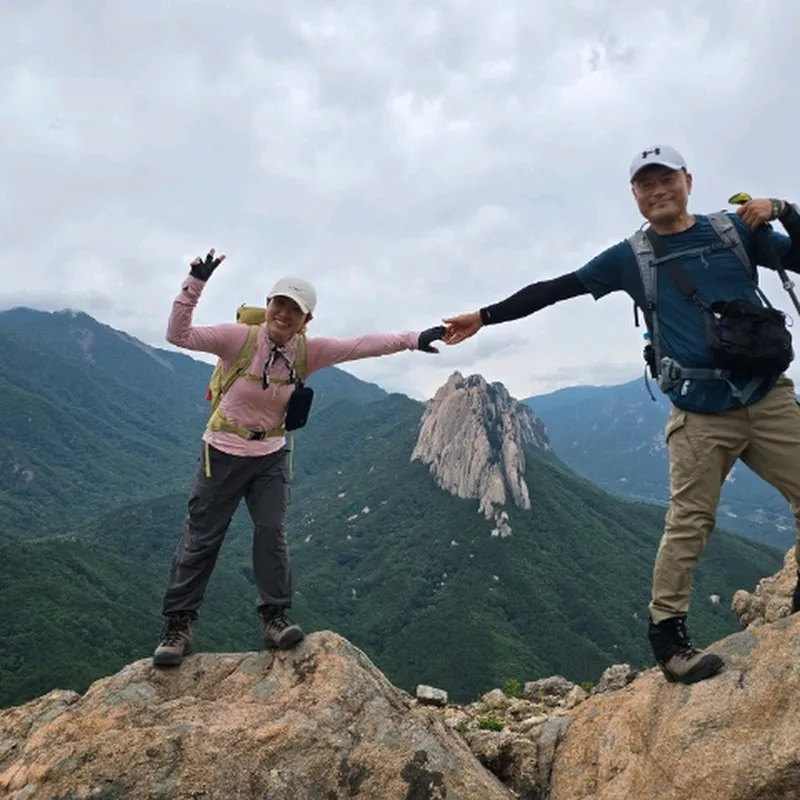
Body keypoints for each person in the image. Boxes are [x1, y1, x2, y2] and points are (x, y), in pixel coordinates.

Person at [441, 144, 800, 685]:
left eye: (666, 179)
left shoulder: (736, 232)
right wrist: (483, 317)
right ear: (634, 194)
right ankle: (669, 639)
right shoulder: (631, 257)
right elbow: (555, 289)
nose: (658, 191)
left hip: (768, 396)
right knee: (690, 522)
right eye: (645, 184)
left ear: (688, 181)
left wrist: (786, 211)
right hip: (701, 412)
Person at [153, 248, 446, 666]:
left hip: (270, 457)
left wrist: (414, 339)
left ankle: (273, 617)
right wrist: (194, 284)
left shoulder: (308, 351)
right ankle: (177, 627)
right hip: (222, 452)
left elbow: (362, 345)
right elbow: (178, 335)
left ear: (307, 320)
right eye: (280, 304)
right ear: (268, 304)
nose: (285, 315)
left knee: (271, 534)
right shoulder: (239, 339)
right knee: (202, 538)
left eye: (295, 310)